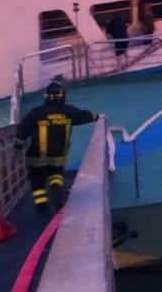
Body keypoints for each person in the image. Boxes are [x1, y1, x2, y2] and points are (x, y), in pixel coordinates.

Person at [16, 81, 99, 212]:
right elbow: (84, 116)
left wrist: (18, 144)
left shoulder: (36, 112)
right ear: (62, 95)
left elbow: (23, 129)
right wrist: (97, 117)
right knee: (56, 173)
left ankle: (41, 204)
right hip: (58, 155)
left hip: (36, 156)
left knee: (36, 178)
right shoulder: (68, 111)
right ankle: (56, 185)